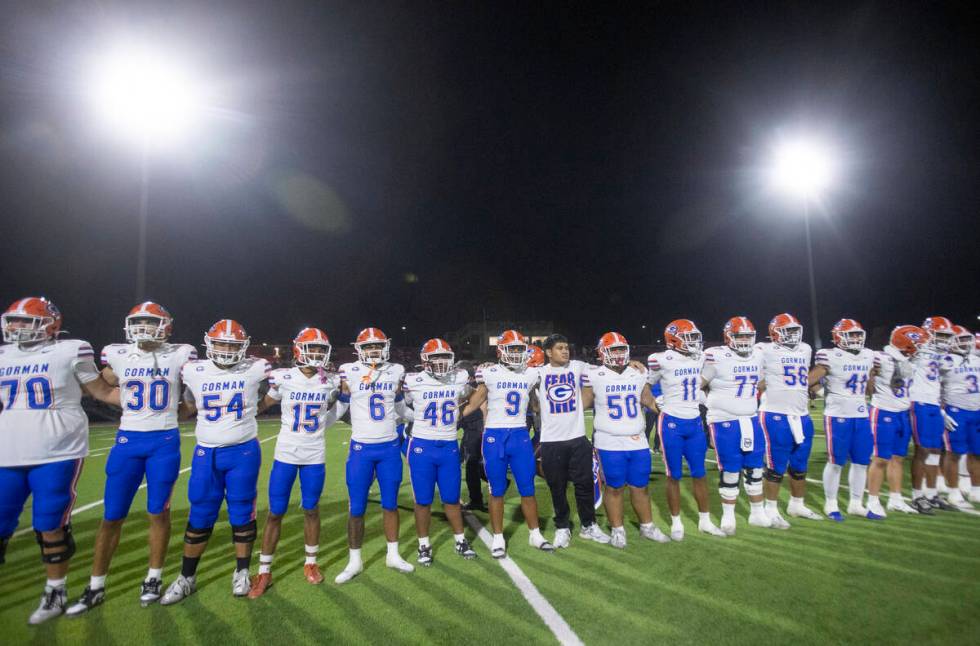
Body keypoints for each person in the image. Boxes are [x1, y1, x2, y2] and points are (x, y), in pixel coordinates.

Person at [67, 302, 197, 615]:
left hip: (163, 442)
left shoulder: (182, 354)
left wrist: (172, 414)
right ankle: (95, 585)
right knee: (111, 516)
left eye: (150, 322)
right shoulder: (118, 354)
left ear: (165, 326)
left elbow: (194, 395)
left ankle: (153, 578)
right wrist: (124, 401)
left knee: (157, 513)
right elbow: (101, 387)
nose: (143, 327)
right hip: (127, 441)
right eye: (138, 321)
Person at [0, 297, 119, 624]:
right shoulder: (3, 355)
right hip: (7, 450)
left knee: (50, 522)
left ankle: (56, 590)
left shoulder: (70, 350)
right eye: (13, 321)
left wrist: (145, 397)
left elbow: (102, 392)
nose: (16, 327)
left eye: (25, 321)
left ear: (49, 324)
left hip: (57, 449)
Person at [161, 319, 272, 603]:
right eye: (221, 343)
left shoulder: (256, 368)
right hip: (206, 452)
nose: (225, 349)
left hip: (243, 451)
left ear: (243, 347)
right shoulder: (194, 371)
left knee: (242, 512)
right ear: (209, 344)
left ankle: (242, 572)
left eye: (232, 344)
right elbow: (186, 406)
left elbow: (273, 393)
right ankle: (186, 577)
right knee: (199, 513)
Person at [248, 328, 346, 598]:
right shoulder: (284, 377)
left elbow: (337, 410)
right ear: (298, 350)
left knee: (312, 509)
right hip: (286, 453)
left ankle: (311, 563)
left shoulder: (329, 382)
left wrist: (327, 422)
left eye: (319, 350)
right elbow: (261, 405)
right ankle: (264, 569)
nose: (316, 354)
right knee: (276, 512)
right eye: (311, 348)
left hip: (315, 453)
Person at [461, 330, 554, 558]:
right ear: (501, 350)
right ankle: (498, 537)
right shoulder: (489, 373)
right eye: (511, 348)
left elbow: (535, 405)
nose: (515, 353)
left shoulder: (531, 373)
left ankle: (535, 534)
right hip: (494, 436)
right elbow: (474, 402)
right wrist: (449, 419)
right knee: (496, 491)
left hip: (520, 436)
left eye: (519, 349)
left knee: (527, 488)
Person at [334, 328, 414, 584]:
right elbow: (342, 406)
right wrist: (317, 423)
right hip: (361, 449)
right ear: (359, 349)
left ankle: (393, 554)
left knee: (390, 504)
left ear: (386, 346)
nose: (373, 351)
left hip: (389, 447)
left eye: (377, 345)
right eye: (368, 347)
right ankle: (354, 560)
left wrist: (421, 416)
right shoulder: (349, 370)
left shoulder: (396, 370)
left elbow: (401, 407)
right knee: (356, 507)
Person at [583, 332, 670, 548]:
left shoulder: (637, 373)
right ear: (602, 353)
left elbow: (647, 400)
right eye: (614, 350)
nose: (619, 354)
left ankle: (647, 526)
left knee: (640, 486)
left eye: (622, 349)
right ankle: (618, 530)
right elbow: (581, 404)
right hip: (608, 440)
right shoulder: (593, 375)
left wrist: (668, 410)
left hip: (637, 439)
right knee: (614, 487)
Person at [646, 319, 726, 540]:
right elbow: (643, 387)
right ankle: (676, 522)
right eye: (688, 336)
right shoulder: (660, 359)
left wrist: (699, 390)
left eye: (694, 336)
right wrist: (654, 405)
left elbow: (709, 373)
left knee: (699, 474)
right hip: (671, 422)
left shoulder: (701, 357)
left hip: (694, 422)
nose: (693, 341)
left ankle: (705, 521)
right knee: (674, 475)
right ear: (673, 338)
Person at [402, 338, 477, 565]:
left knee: (452, 498)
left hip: (448, 445)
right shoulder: (413, 381)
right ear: (426, 360)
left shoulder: (459, 378)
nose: (442, 362)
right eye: (436, 358)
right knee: (423, 500)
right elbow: (400, 405)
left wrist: (460, 414)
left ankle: (460, 540)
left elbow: (470, 394)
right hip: (422, 446)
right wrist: (415, 419)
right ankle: (424, 544)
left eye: (445, 357)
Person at [532, 334, 610, 547]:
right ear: (548, 352)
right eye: (559, 348)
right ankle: (562, 527)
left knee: (584, 485)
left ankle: (588, 525)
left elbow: (605, 369)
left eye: (566, 347)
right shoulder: (538, 371)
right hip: (551, 440)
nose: (565, 351)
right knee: (557, 487)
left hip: (577, 438)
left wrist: (631, 362)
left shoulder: (578, 367)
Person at [701, 317, 772, 534]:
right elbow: (697, 385)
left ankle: (757, 512)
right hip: (724, 421)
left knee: (755, 466)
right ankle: (728, 515)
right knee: (730, 468)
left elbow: (759, 382)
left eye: (747, 336)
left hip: (751, 417)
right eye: (739, 335)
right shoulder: (715, 356)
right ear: (728, 337)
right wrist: (711, 406)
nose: (744, 340)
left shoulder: (759, 354)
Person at [756, 313, 822, 527]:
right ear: (775, 332)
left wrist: (816, 388)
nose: (793, 335)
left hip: (801, 414)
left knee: (800, 464)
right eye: (788, 330)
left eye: (795, 330)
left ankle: (797, 504)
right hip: (775, 413)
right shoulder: (763, 349)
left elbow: (804, 377)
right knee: (776, 466)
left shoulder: (805, 349)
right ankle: (771, 509)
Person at [808, 319, 876, 521]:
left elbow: (870, 384)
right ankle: (831, 504)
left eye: (857, 334)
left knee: (862, 462)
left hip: (861, 414)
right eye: (851, 334)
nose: (855, 338)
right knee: (836, 461)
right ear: (839, 337)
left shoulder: (869, 355)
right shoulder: (830, 356)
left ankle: (856, 503)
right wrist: (821, 394)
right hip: (838, 415)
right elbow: (808, 381)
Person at [865, 325, 926, 516]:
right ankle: (873, 501)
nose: (919, 347)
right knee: (880, 458)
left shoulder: (910, 361)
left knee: (898, 458)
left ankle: (895, 498)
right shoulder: (880, 358)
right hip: (883, 412)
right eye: (916, 343)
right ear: (905, 342)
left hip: (902, 413)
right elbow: (868, 380)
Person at [909, 316, 957, 512]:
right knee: (922, 450)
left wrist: (941, 410)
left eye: (947, 336)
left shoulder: (940, 355)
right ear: (929, 333)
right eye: (942, 335)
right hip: (918, 403)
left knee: (936, 451)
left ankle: (931, 493)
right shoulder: (916, 351)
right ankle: (917, 496)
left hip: (934, 406)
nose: (945, 340)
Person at [939, 324, 979, 509]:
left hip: (977, 410)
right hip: (955, 410)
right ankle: (953, 491)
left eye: (966, 339)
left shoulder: (976, 359)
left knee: (977, 453)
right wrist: (941, 410)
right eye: (961, 339)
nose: (965, 342)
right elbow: (933, 386)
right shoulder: (944, 360)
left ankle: (976, 488)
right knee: (954, 453)